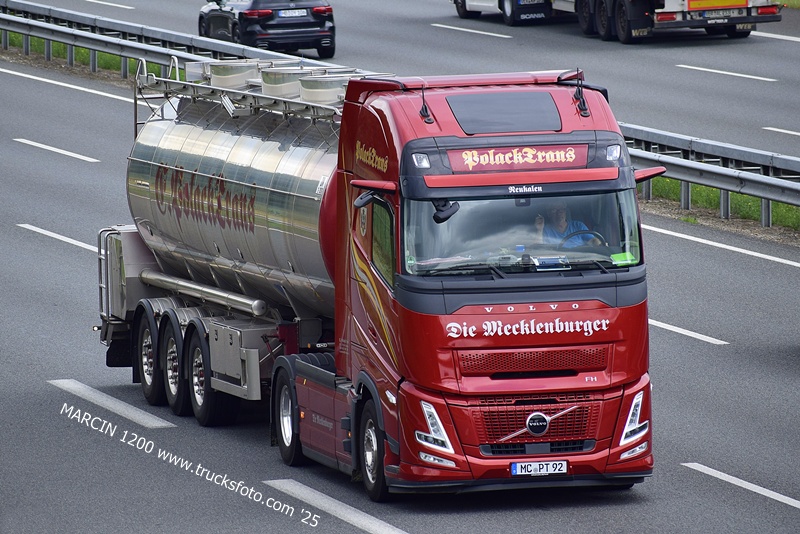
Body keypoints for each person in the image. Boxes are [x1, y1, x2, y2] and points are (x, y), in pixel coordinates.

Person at [533, 201, 601, 247]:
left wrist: (600, 245)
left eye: (561, 210)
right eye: (554, 210)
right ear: (548, 213)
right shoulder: (545, 230)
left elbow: (592, 240)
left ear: (565, 211)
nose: (559, 213)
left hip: (580, 262)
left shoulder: (578, 226)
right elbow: (538, 248)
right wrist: (539, 230)